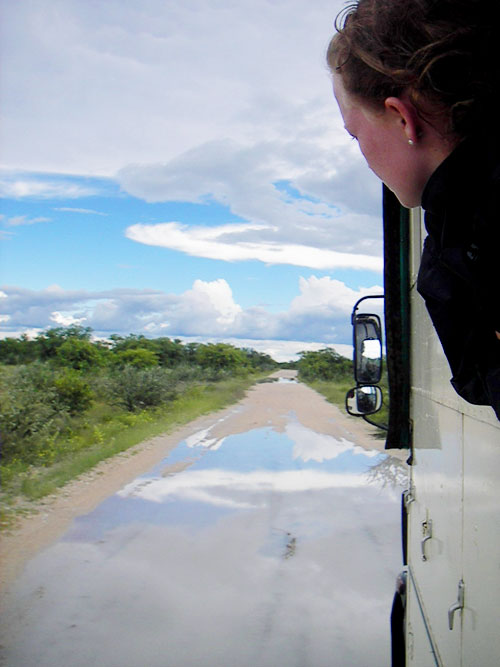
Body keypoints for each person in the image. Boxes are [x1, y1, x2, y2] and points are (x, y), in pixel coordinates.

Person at [327, 0, 500, 420]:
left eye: (355, 135)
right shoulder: (461, 227)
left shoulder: (472, 236)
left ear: (402, 118)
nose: (364, 155)